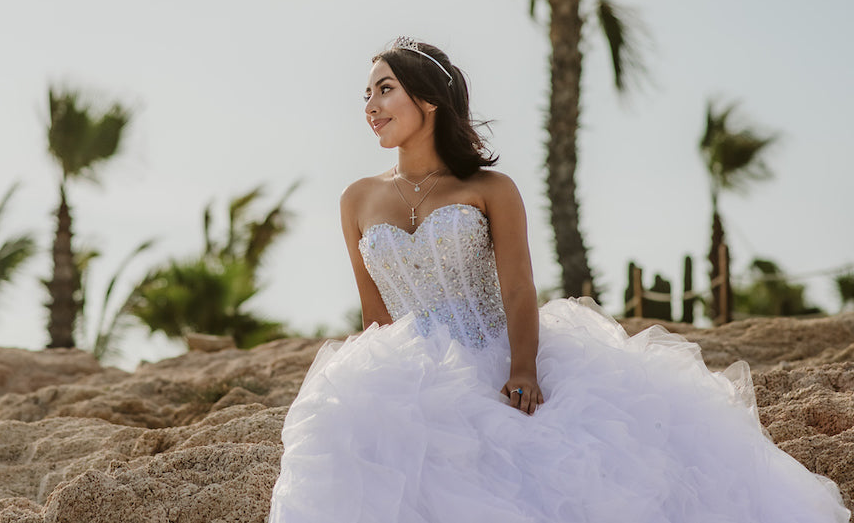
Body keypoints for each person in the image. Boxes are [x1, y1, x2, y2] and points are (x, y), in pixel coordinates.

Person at [267, 37, 848, 523]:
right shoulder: (355, 199)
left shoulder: (491, 189)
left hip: (497, 353)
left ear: (430, 99)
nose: (370, 104)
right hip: (406, 370)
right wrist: (381, 394)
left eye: (385, 88)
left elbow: (519, 289)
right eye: (366, 93)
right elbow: (375, 315)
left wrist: (523, 368)